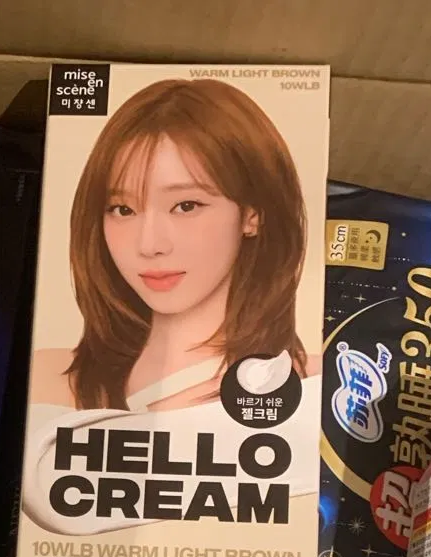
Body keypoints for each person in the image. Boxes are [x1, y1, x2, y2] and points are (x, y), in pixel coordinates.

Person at [32, 78, 313, 414]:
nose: (149, 245)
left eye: (186, 206)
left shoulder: (313, 384)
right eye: (123, 210)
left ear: (252, 213)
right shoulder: (49, 380)